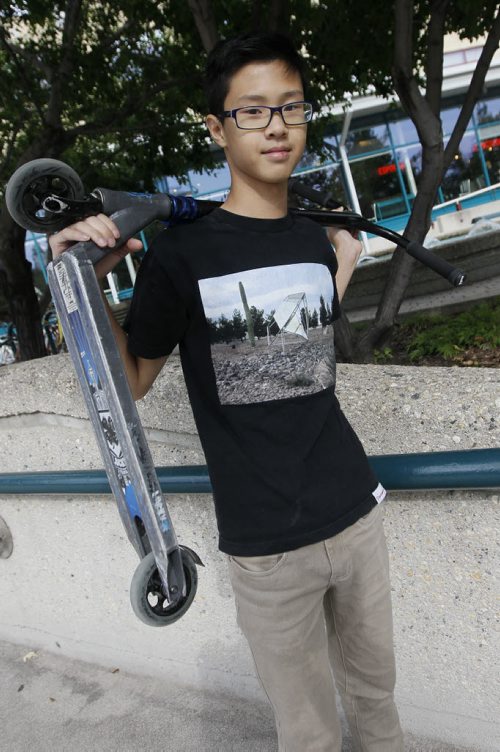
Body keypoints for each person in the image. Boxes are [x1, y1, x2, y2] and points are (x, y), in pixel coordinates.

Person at [49, 32, 404, 752]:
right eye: (252, 111)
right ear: (217, 128)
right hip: (268, 548)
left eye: (291, 107)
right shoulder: (184, 252)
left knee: (380, 710)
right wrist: (79, 283)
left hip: (357, 513)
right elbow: (134, 383)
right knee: (308, 736)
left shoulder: (312, 236)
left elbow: (299, 339)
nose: (276, 125)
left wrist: (343, 260)